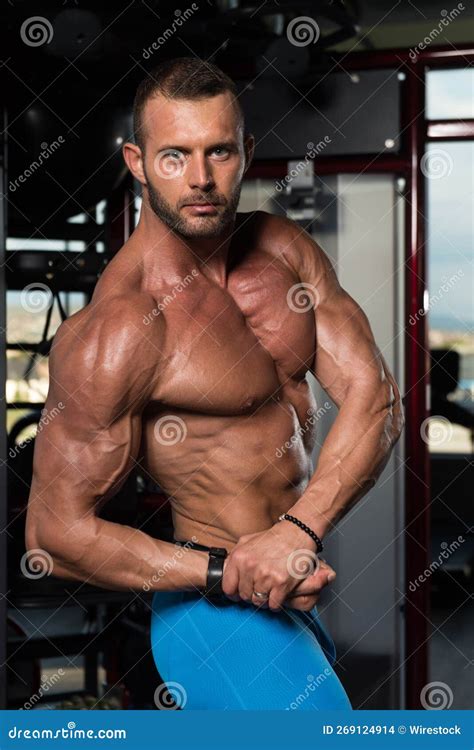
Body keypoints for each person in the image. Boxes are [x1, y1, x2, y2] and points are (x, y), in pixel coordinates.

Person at [25, 56, 404, 710]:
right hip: (217, 618)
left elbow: (378, 397)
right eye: (174, 156)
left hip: (295, 592)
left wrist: (298, 532)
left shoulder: (285, 249)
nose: (200, 179)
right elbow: (53, 535)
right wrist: (226, 571)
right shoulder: (122, 329)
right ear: (137, 162)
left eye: (219, 152)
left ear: (247, 151)